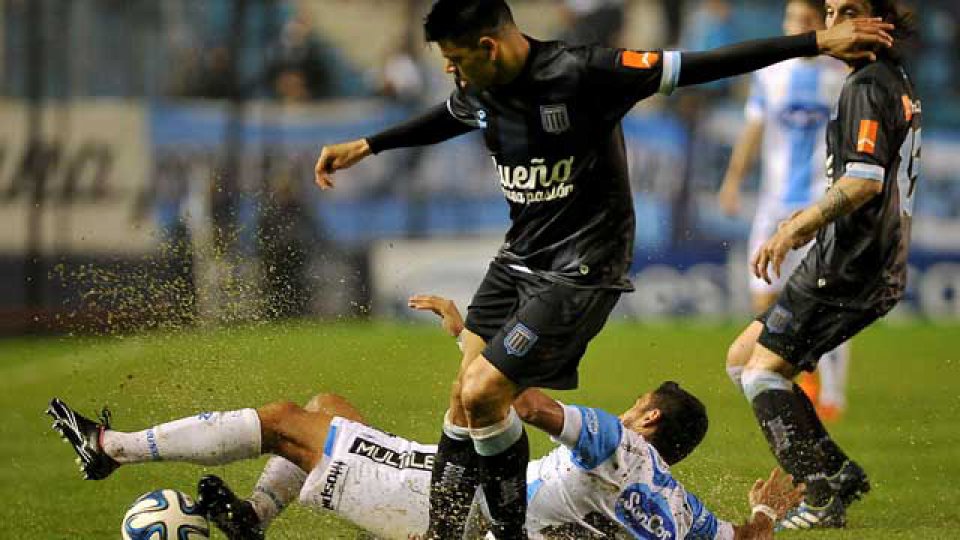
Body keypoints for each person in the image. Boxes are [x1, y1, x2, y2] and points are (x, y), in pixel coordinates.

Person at [312, 1, 892, 537]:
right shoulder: (478, 87)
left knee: (486, 390)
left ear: (490, 46)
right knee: (463, 401)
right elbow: (448, 116)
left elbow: (701, 64)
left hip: (582, 266)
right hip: (519, 257)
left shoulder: (582, 71)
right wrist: (369, 144)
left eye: (457, 58)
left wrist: (816, 41)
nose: (450, 71)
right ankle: (443, 535)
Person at [48, 295, 804, 540]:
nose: (627, 408)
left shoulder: (612, 442)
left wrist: (468, 337)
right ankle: (252, 518)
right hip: (470, 499)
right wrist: (764, 516)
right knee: (329, 407)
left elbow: (514, 399)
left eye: (637, 404)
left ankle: (111, 447)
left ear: (647, 416)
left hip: (449, 505)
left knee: (284, 421)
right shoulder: (680, 510)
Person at [725, 0, 920, 530]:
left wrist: (796, 227)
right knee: (741, 359)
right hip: (847, 255)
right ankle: (838, 471)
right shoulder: (887, 79)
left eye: (848, 11)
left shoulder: (866, 87)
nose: (832, 24)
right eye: (830, 11)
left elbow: (864, 181)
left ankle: (819, 494)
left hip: (853, 264)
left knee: (761, 374)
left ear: (878, 24)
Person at [718, 0, 850, 421]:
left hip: (819, 202)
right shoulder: (770, 74)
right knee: (764, 294)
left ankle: (831, 393)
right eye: (791, 19)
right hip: (773, 202)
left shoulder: (841, 76)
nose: (797, 27)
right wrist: (733, 180)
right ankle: (791, 372)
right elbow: (753, 130)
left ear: (820, 24)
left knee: (825, 297)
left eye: (805, 20)